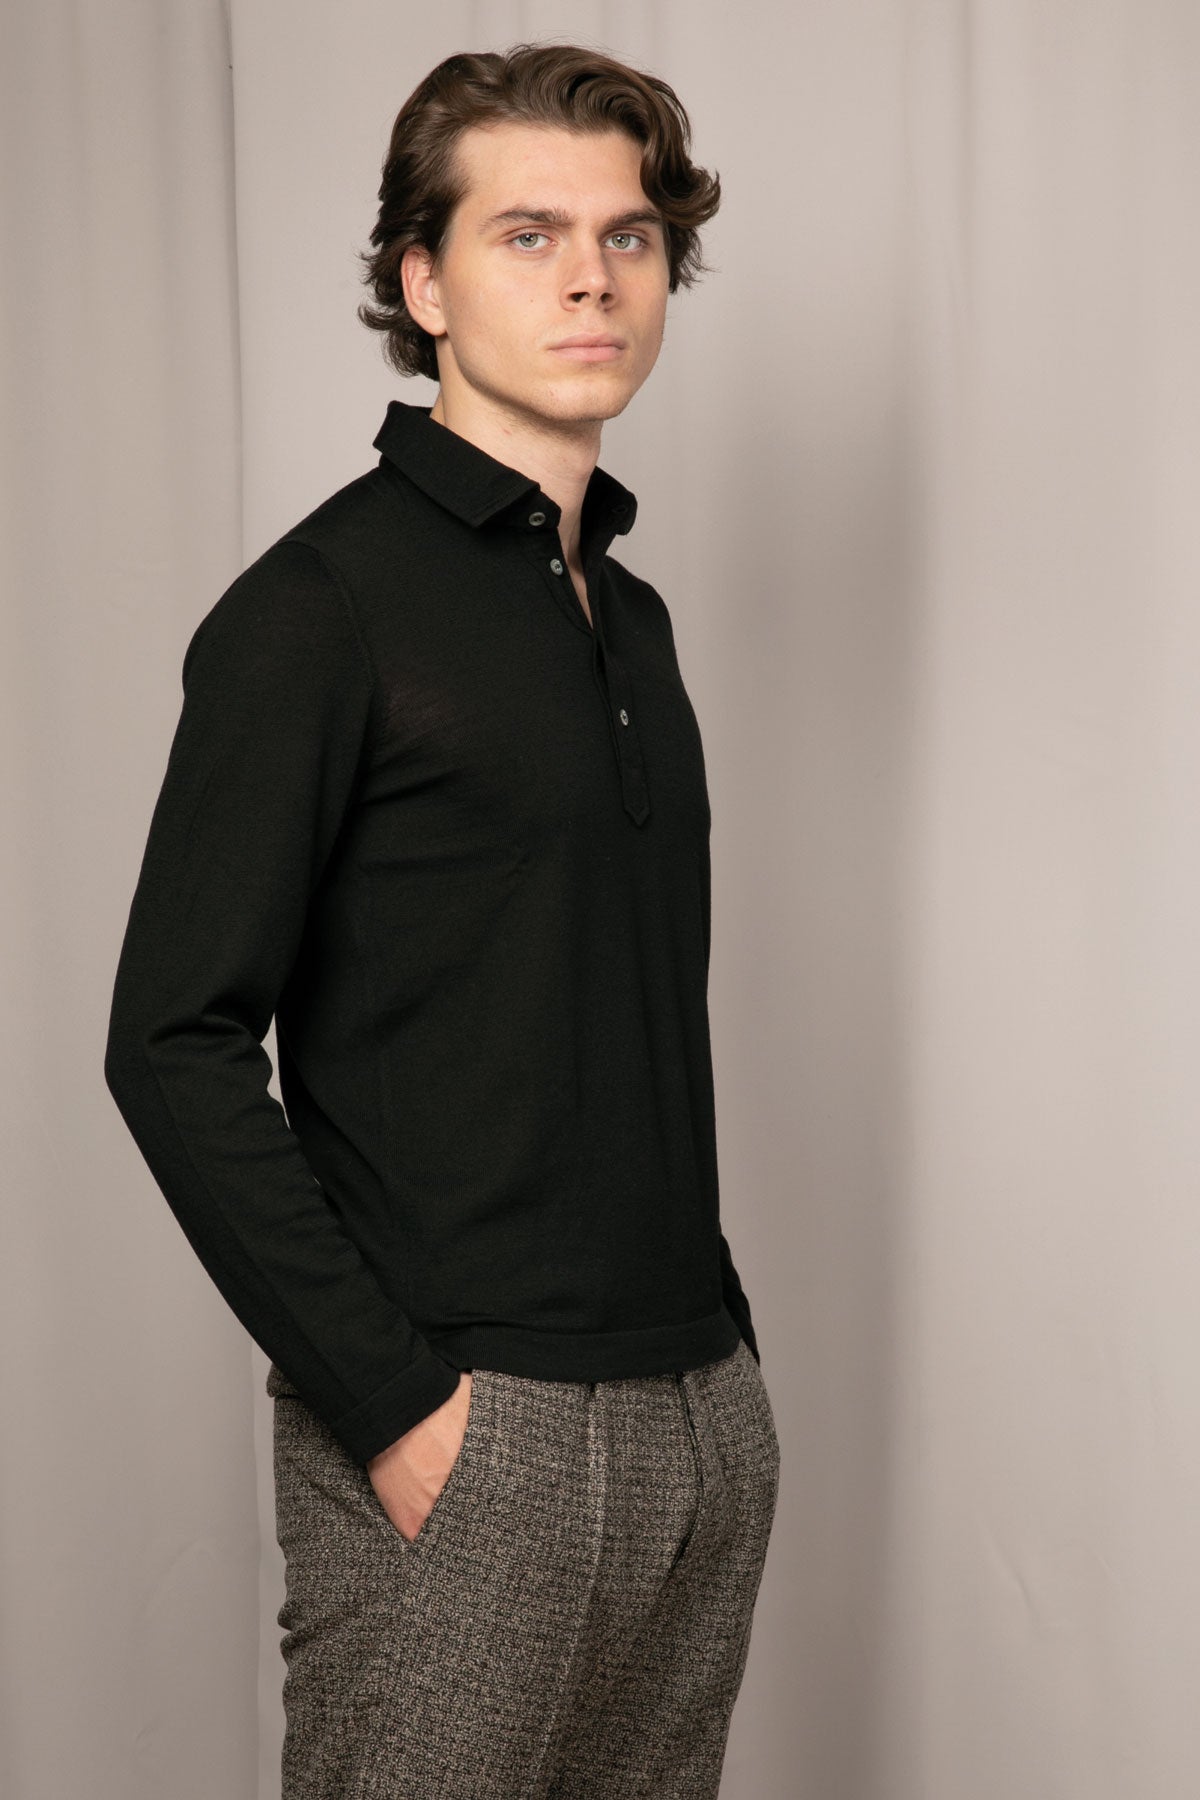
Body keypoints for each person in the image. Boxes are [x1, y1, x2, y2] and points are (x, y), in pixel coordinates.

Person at [105, 40, 780, 1800]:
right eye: (527, 234)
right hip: (469, 1427)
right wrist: (397, 1408)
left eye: (630, 238)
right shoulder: (319, 609)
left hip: (697, 1411)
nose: (590, 278)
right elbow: (169, 1039)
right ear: (423, 284)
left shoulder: (631, 619)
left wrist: (725, 1364)